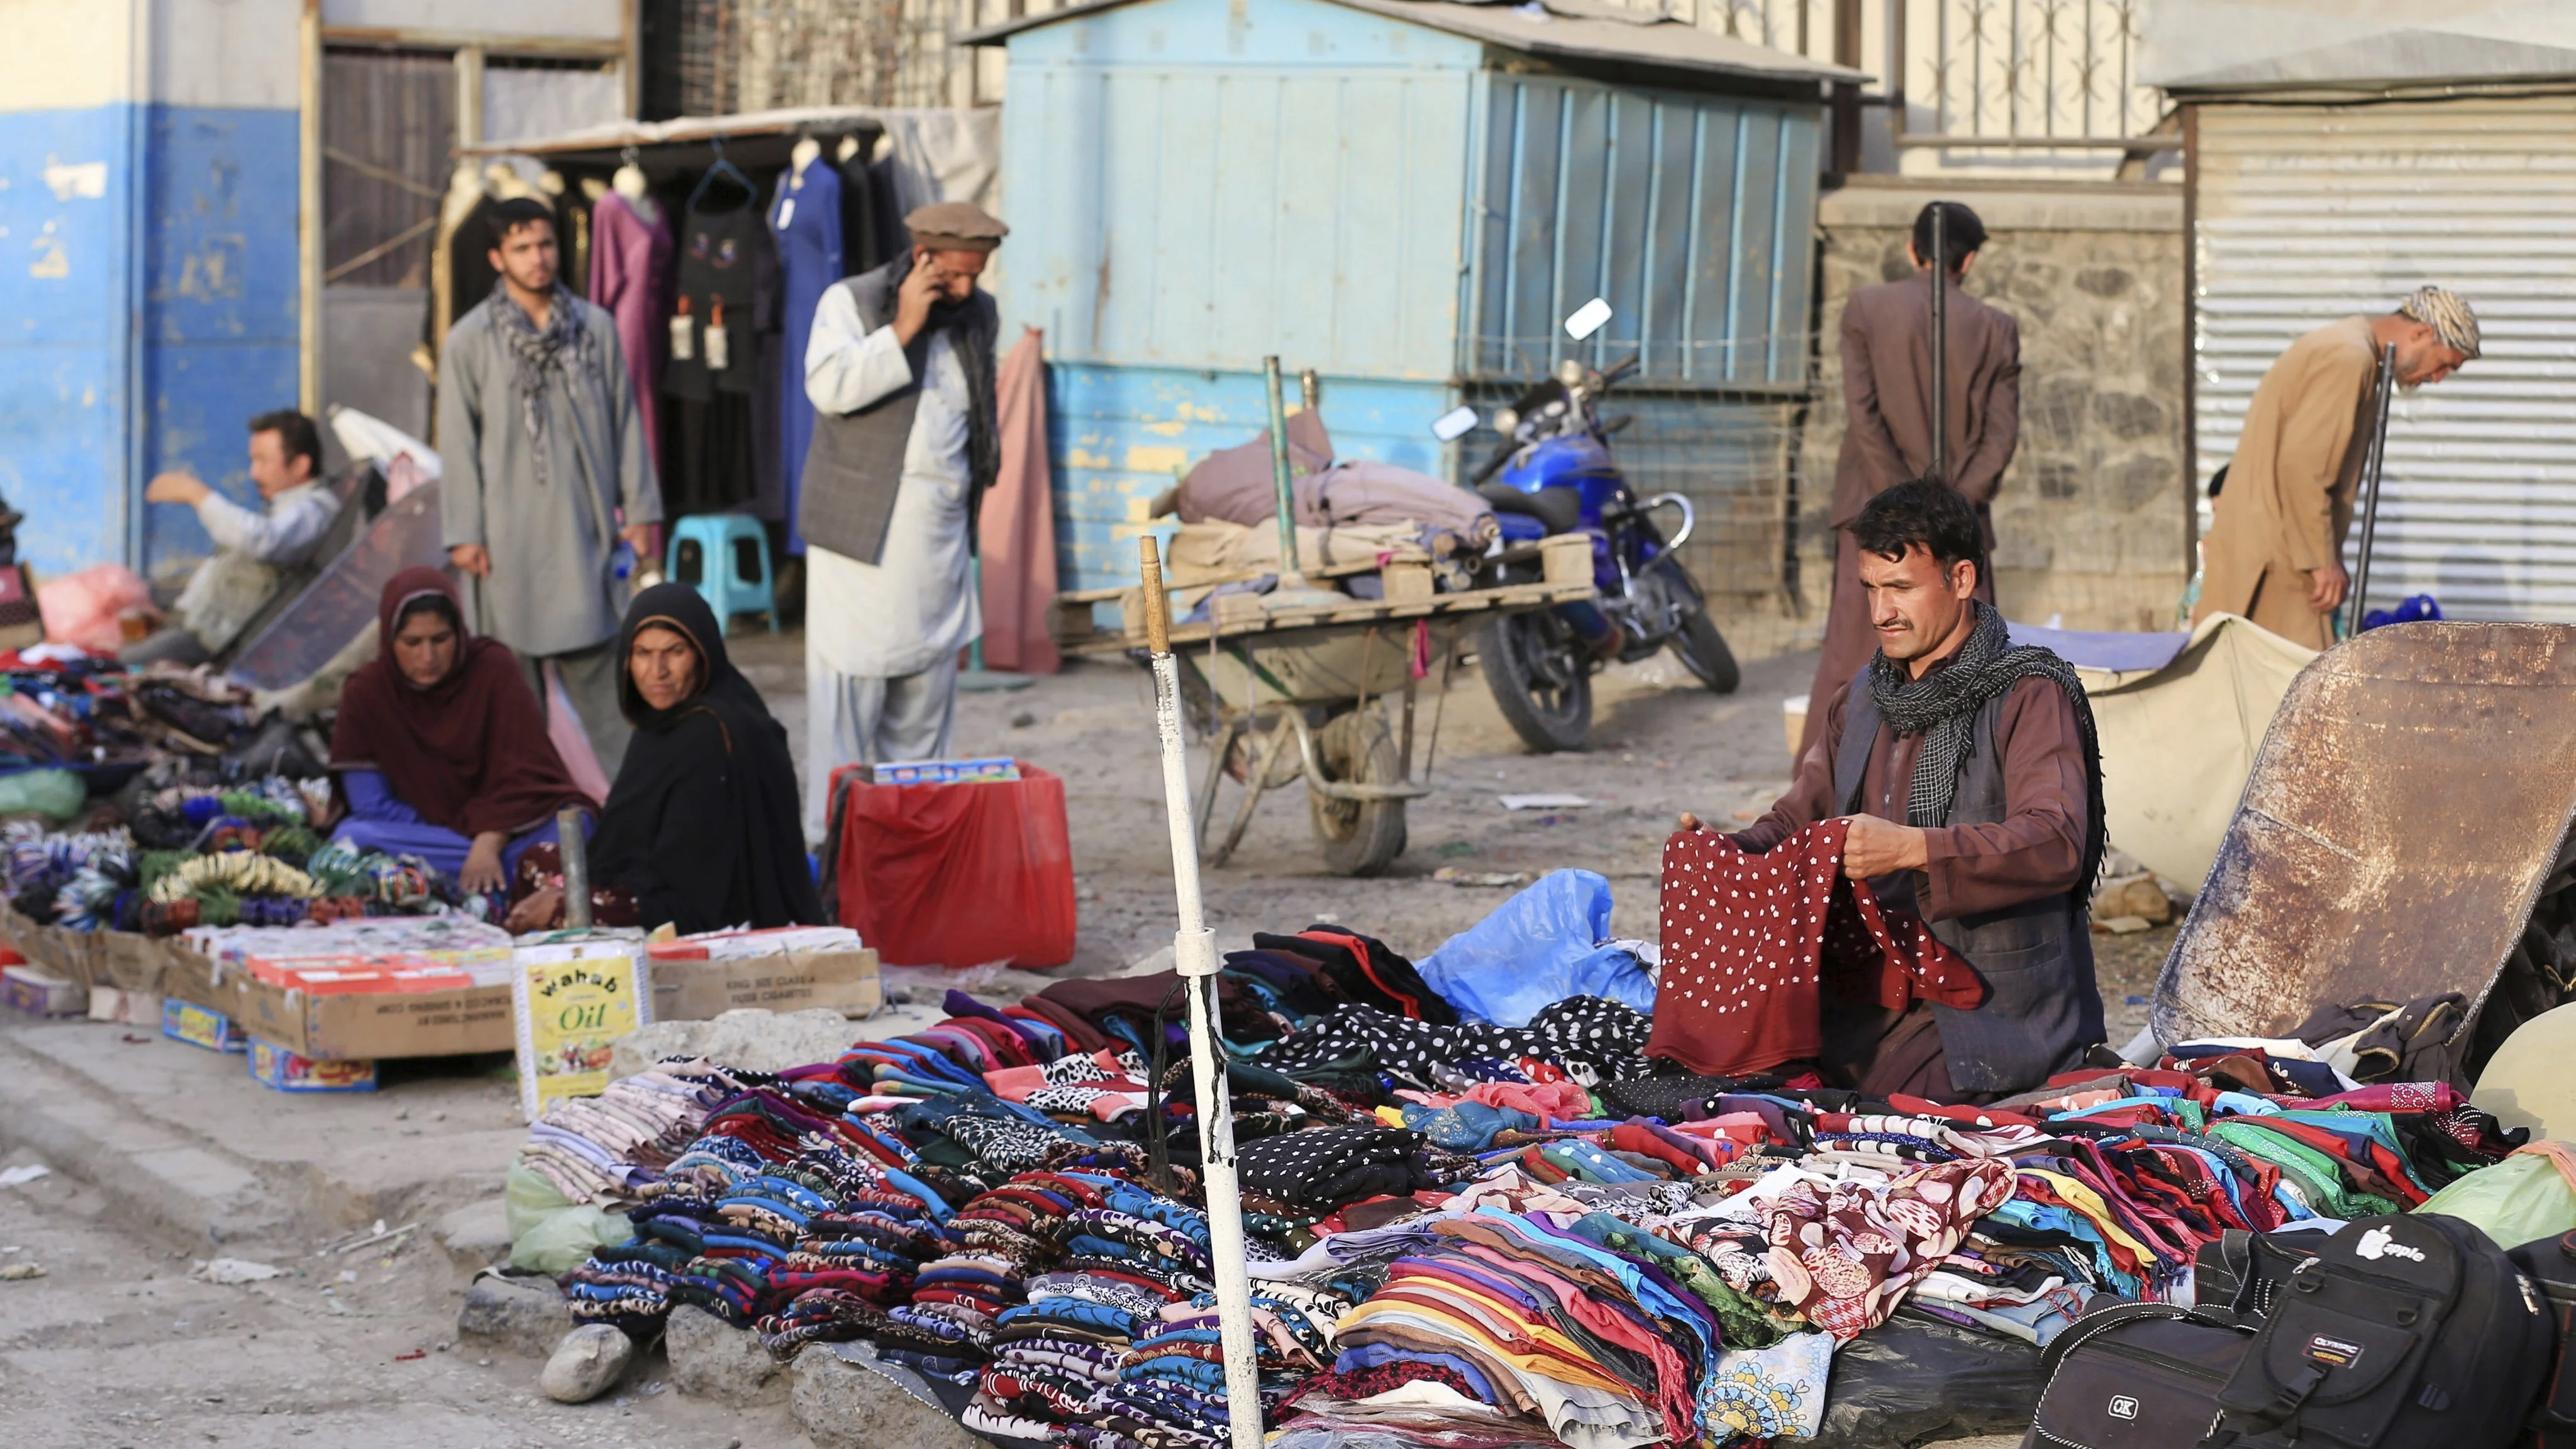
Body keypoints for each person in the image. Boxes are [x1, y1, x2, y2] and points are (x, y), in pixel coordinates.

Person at [1699, 480, 2104, 1100]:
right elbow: (1796, 819)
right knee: (1730, 1074)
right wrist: (1726, 850)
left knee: (1869, 1113)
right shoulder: (1863, 695)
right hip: (1871, 992)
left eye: (1901, 589)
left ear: (1961, 579)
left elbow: (2055, 841)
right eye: (1871, 589)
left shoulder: (2029, 692)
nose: (1880, 611)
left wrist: (1913, 849)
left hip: (1989, 1009)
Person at [796, 200, 1008, 842]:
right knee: (847, 726)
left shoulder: (979, 315)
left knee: (923, 731)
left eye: (977, 274)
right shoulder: (850, 302)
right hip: (861, 552)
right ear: (921, 259)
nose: (967, 289)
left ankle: (910, 859)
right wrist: (904, 328)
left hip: (938, 549)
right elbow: (828, 387)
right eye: (954, 276)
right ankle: (831, 859)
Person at [438, 195, 662, 779]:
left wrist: (640, 511)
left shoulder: (594, 329)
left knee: (608, 690)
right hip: (506, 539)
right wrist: (464, 533)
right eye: (522, 248)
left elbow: (626, 422)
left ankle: (638, 812)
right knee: (514, 702)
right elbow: (458, 442)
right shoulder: (470, 340)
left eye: (545, 245)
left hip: (583, 530)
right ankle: (527, 823)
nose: (538, 259)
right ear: (496, 257)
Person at [1804, 201, 2019, 755]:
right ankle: (1955, 790)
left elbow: (1864, 415)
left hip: (1873, 519)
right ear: (1968, 260)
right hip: (1958, 528)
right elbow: (2000, 438)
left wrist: (1899, 511)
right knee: (1967, 661)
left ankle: (1828, 798)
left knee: (1855, 655)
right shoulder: (1996, 328)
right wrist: (1946, 512)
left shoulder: (1865, 308)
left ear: (1911, 249)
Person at [506, 583, 823, 936]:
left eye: (674, 652)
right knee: (535, 862)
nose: (657, 671)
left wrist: (574, 901)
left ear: (704, 653)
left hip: (711, 909)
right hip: (654, 884)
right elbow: (625, 840)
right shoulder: (662, 723)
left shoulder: (711, 732)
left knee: (561, 910)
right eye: (642, 653)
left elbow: (692, 880)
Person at [2191, 286, 2479, 649]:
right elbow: (2304, 467)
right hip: (2280, 565)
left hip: (2275, 553)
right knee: (2298, 691)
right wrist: (2321, 562)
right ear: (2421, 333)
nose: (2437, 379)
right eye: (2444, 364)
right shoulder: (2349, 358)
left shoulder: (2348, 348)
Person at [328, 567, 597, 894]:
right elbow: (371, 805)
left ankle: (484, 878)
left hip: (508, 834)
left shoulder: (492, 668)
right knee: (354, 839)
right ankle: (513, 880)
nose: (427, 657)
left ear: (459, 632)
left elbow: (527, 777)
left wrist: (489, 842)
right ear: (389, 639)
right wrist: (466, 844)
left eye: (440, 640)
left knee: (576, 824)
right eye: (412, 642)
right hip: (434, 840)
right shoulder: (369, 692)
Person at [129, 409, 341, 665]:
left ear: (300, 465)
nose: (254, 473)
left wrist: (196, 494)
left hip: (218, 644)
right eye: (253, 461)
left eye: (264, 461)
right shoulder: (283, 508)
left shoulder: (312, 511)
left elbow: (261, 540)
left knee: (120, 667)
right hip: (197, 629)